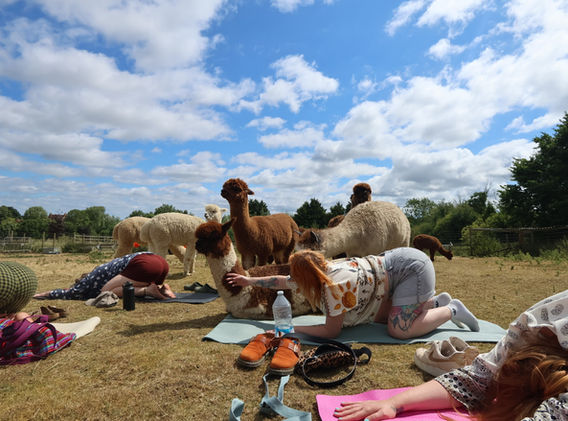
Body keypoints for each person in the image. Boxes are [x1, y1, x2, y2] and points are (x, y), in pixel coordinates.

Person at [332, 290, 568, 421]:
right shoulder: (530, 327)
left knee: (398, 329)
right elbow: (475, 378)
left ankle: (450, 309)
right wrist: (395, 403)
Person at [225, 247, 479, 339]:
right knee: (382, 318)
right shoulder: (320, 270)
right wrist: (248, 280)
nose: (294, 283)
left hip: (412, 269)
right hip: (394, 268)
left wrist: (290, 329)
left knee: (399, 330)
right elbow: (282, 280)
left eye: (297, 278)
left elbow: (331, 331)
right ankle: (434, 303)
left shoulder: (335, 286)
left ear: (308, 277)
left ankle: (451, 309)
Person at [33, 252, 175, 301]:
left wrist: (43, 294)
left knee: (106, 292)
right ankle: (162, 288)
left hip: (145, 264)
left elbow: (71, 293)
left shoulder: (90, 280)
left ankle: (148, 291)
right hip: (160, 261)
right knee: (140, 281)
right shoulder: (105, 268)